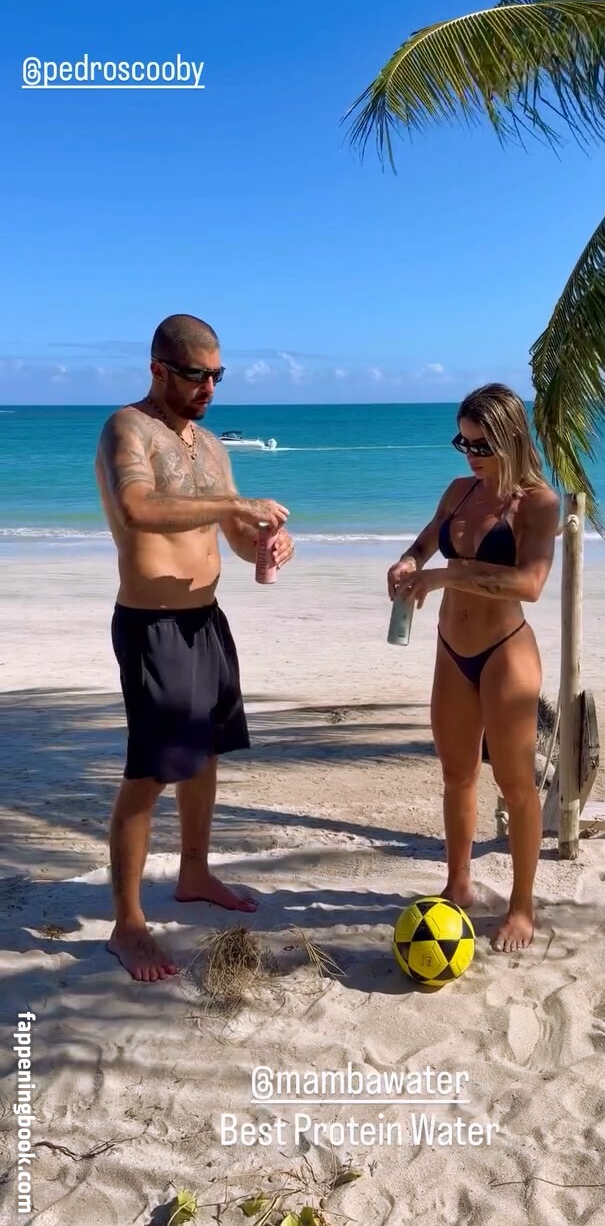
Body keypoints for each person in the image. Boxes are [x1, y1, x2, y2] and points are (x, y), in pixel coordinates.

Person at [95, 313, 294, 982]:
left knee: (205, 753)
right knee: (150, 772)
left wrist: (263, 540)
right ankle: (127, 925)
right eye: (195, 375)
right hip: (151, 623)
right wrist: (230, 507)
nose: (208, 388)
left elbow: (232, 534)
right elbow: (139, 510)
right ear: (159, 369)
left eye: (217, 376)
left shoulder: (210, 446)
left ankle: (195, 873)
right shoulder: (128, 428)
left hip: (205, 617)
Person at [387, 383, 559, 952]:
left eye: (482, 445)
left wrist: (446, 576)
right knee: (457, 774)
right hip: (451, 649)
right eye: (463, 442)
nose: (471, 455)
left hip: (506, 652)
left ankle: (522, 906)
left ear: (511, 439)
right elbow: (423, 545)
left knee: (515, 784)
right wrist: (407, 562)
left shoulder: (537, 503)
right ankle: (457, 884)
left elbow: (530, 584)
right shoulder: (459, 492)